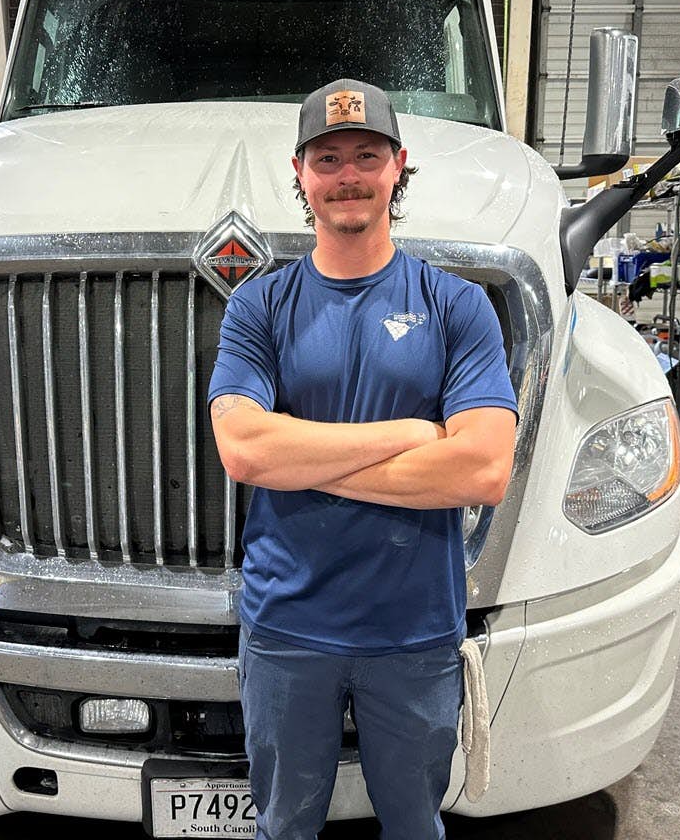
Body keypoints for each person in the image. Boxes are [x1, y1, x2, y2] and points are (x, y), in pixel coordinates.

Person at [207, 78, 518, 840]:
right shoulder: (258, 305)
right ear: (302, 172)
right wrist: (413, 436)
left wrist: (302, 452)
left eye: (367, 156)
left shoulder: (456, 305)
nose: (348, 173)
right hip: (287, 625)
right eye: (329, 157)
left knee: (415, 826)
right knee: (284, 827)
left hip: (413, 628)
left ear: (398, 166)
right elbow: (244, 449)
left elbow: (482, 470)